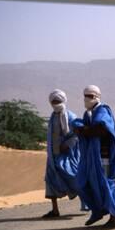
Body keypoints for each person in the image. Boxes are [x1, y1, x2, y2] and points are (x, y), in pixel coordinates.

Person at [72, 85, 115, 228]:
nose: (87, 99)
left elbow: (102, 129)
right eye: (86, 95)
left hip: (106, 157)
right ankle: (97, 211)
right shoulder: (89, 113)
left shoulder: (102, 110)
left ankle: (113, 218)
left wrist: (84, 130)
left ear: (97, 96)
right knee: (84, 184)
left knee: (107, 186)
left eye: (91, 96)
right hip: (93, 158)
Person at [42, 89, 81, 218]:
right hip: (53, 156)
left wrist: (67, 144)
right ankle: (55, 210)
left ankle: (90, 203)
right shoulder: (52, 116)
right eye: (53, 102)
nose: (56, 104)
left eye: (58, 101)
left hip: (67, 156)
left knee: (75, 177)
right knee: (50, 180)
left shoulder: (71, 116)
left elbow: (77, 135)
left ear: (63, 100)